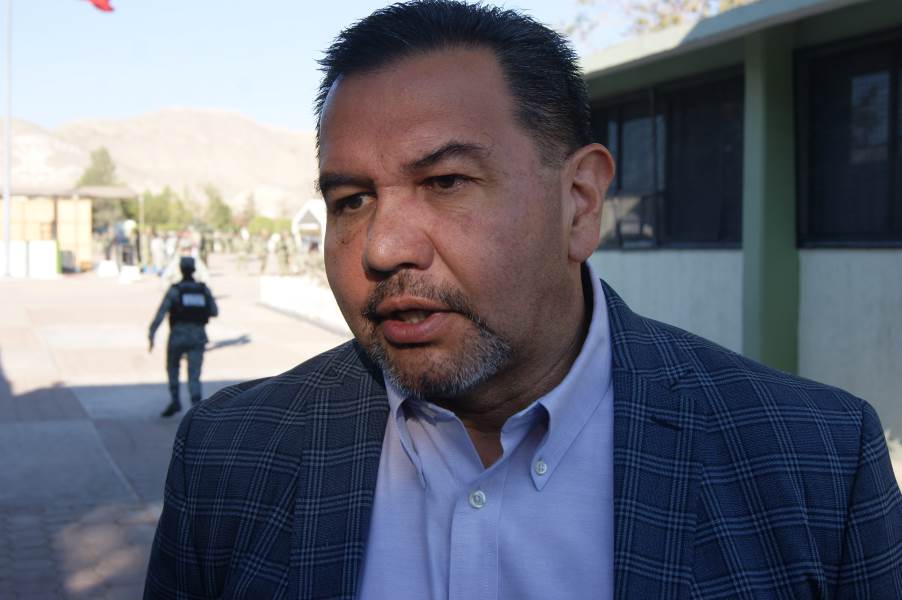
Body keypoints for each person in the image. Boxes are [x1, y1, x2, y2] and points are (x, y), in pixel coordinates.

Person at [144, 2, 902, 598]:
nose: (381, 247)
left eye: (446, 182)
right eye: (351, 200)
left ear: (579, 202)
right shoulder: (229, 456)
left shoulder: (816, 467)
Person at [148, 256, 218, 418]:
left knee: (173, 368)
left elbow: (161, 313)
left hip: (177, 337)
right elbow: (214, 311)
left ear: (180, 269)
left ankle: (175, 400)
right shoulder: (203, 290)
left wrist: (152, 333)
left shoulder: (175, 290)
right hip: (198, 337)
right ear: (194, 270)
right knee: (194, 373)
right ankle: (196, 405)